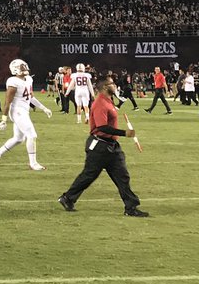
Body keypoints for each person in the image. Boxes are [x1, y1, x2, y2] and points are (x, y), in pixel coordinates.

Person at [58, 75, 148, 217]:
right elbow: (102, 127)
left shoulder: (108, 100)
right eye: (112, 84)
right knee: (89, 175)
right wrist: (124, 133)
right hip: (99, 146)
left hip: (111, 146)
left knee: (122, 176)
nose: (115, 86)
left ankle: (131, 207)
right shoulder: (100, 103)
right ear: (105, 87)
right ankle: (68, 197)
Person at [0, 58, 53, 171]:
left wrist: (44, 108)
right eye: (22, 67)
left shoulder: (28, 79)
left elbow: (31, 97)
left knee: (18, 139)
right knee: (32, 135)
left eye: (24, 66)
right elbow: (7, 102)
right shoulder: (13, 81)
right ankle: (33, 163)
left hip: (24, 111)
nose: (24, 69)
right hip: (17, 111)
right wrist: (4, 119)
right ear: (15, 70)